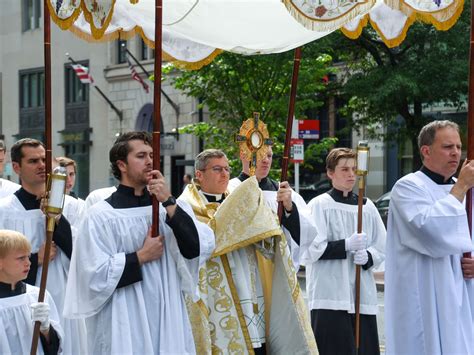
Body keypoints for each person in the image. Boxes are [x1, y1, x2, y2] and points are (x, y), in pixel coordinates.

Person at [63, 131, 215, 354]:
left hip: (167, 307)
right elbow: (91, 275)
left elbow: (195, 249)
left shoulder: (167, 207)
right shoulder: (100, 215)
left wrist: (168, 201)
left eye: (152, 155)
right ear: (122, 165)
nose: (150, 161)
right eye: (141, 156)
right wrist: (139, 257)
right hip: (124, 313)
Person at [180, 148, 317, 354]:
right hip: (216, 289)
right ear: (199, 175)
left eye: (226, 169)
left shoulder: (237, 198)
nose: (225, 174)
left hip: (250, 281)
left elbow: (274, 242)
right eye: (218, 169)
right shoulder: (189, 204)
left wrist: (271, 232)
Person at [385, 120, 474, 354]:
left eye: (458, 146)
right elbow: (430, 231)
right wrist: (461, 188)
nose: (456, 152)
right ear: (426, 151)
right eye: (447, 146)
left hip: (462, 294)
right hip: (424, 292)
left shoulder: (466, 192)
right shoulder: (408, 188)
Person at [0, 138, 87, 354]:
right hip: (23, 300)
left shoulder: (73, 206)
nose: (41, 165)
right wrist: (34, 259)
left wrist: (56, 218)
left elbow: (82, 253)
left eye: (44, 159)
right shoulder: (5, 210)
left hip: (65, 297)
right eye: (33, 161)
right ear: (17, 167)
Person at [301, 147, 385, 355]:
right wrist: (345, 245)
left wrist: (368, 257)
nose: (351, 174)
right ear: (330, 173)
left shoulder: (367, 206)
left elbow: (382, 245)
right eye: (344, 169)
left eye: (354, 169)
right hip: (330, 294)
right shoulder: (320, 205)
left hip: (361, 294)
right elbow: (311, 249)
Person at [228, 145, 314, 270]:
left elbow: (306, 236)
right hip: (244, 269)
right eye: (260, 154)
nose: (266, 160)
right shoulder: (230, 190)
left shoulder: (284, 192)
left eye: (269, 155)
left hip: (277, 269)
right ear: (243, 155)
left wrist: (289, 209)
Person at [0, 229, 63, 355]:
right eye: (21, 258)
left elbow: (54, 348)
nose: (28, 263)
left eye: (28, 257)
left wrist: (46, 329)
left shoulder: (37, 295)